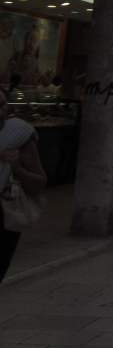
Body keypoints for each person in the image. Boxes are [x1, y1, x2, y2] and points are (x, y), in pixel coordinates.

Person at [0, 88, 47, 282]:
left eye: (1, 105)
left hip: (4, 215)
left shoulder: (19, 136)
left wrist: (16, 168)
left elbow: (39, 183)